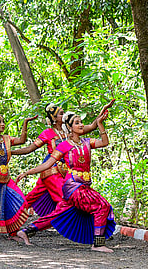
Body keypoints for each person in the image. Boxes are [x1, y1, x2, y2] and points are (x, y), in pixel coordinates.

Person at [16, 108, 116, 253]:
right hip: (73, 187)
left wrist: (100, 123)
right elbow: (47, 164)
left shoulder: (87, 142)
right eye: (77, 123)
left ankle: (26, 231)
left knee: (60, 213)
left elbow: (105, 142)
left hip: (85, 186)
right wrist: (28, 172)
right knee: (102, 206)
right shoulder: (64, 145)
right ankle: (98, 243)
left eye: (81, 122)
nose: (81, 125)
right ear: (69, 127)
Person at [11, 100, 114, 217]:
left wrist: (103, 109)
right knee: (66, 199)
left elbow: (93, 125)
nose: (64, 115)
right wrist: (11, 152)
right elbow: (29, 149)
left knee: (32, 196)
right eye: (61, 113)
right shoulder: (47, 133)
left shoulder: (71, 130)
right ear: (54, 119)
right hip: (51, 170)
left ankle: (12, 213)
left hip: (65, 171)